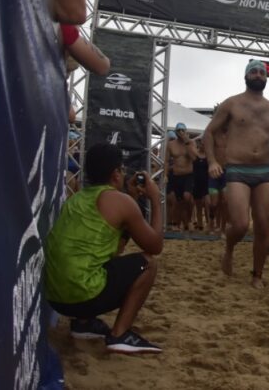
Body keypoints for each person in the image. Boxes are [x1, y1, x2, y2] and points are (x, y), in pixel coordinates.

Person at [44, 143, 163, 354]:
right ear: (116, 174)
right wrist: (155, 199)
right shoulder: (120, 201)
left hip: (55, 299)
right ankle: (120, 334)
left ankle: (83, 324)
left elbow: (113, 252)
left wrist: (132, 198)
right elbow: (155, 246)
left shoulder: (77, 198)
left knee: (97, 262)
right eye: (122, 170)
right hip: (82, 295)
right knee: (148, 264)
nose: (124, 174)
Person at [203, 60, 269, 289]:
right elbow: (209, 132)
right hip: (237, 169)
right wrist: (212, 161)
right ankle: (229, 248)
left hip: (264, 170)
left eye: (262, 72)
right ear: (246, 76)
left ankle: (257, 275)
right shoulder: (232, 103)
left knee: (263, 226)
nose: (258, 74)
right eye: (253, 71)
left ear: (266, 78)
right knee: (241, 224)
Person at [164, 123, 198, 232]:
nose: (181, 132)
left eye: (182, 130)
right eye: (179, 130)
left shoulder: (191, 142)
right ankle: (177, 223)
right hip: (176, 175)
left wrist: (187, 142)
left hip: (188, 175)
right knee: (178, 201)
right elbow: (166, 161)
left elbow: (194, 158)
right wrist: (165, 175)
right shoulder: (171, 144)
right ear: (176, 132)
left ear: (186, 131)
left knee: (187, 197)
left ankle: (189, 220)